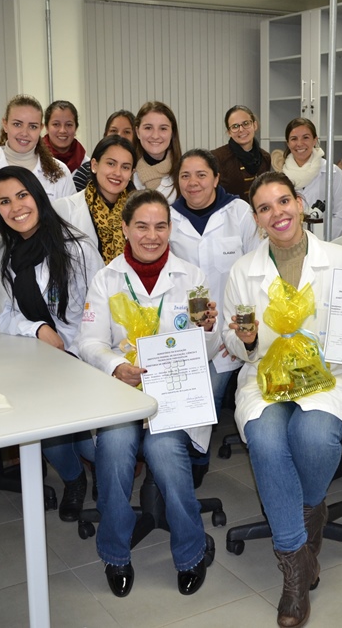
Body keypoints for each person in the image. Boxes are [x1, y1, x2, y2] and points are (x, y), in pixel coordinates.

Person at [221, 171, 342, 627]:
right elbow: (233, 343)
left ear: (300, 204)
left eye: (283, 201)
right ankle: (296, 564)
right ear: (256, 219)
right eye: (265, 208)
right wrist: (245, 340)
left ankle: (303, 516)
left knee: (314, 437)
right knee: (265, 440)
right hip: (267, 381)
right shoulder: (243, 271)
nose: (277, 213)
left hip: (330, 378)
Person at [77, 189, 220, 598]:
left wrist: (208, 331)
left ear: (171, 229)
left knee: (165, 451)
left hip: (172, 399)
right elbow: (89, 342)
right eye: (141, 226)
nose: (151, 236)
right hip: (123, 393)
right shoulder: (107, 278)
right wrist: (115, 366)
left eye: (160, 226)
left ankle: (190, 552)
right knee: (114, 449)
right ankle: (115, 552)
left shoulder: (191, 276)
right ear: (125, 228)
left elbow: (207, 351)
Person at [0, 165, 103, 521]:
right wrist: (37, 328)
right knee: (48, 432)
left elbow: (101, 310)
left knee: (90, 441)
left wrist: (75, 355)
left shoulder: (77, 248)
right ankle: (73, 480)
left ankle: (103, 471)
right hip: (36, 360)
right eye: (4, 201)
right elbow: (0, 315)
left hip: (81, 356)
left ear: (38, 196)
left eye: (22, 195)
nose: (15, 208)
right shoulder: (3, 255)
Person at [169, 148, 259, 418]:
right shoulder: (169, 218)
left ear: (216, 178)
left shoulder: (239, 212)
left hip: (230, 335)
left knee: (205, 401)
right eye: (185, 176)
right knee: (181, 400)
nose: (192, 182)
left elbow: (255, 274)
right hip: (184, 332)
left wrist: (236, 338)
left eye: (201, 175)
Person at [0, 95, 76, 230]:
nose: (24, 133)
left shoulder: (60, 171)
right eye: (17, 124)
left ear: (41, 128)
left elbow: (70, 225)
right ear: (5, 124)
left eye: (32, 126)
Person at [53, 135, 136, 264]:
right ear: (94, 165)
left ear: (131, 173)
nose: (117, 173)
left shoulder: (138, 211)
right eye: (111, 164)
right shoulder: (64, 210)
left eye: (125, 167)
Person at [281, 118, 342, 238]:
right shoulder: (281, 177)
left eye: (305, 137)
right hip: (290, 242)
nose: (299, 143)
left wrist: (318, 242)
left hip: (324, 242)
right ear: (288, 143)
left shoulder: (332, 173)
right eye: (294, 139)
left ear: (315, 140)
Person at [210, 105, 271, 201]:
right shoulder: (216, 158)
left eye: (246, 123)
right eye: (235, 126)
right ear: (229, 132)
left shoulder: (265, 157)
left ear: (255, 125)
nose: (241, 130)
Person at [73, 110, 136, 192]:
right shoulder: (85, 171)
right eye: (113, 131)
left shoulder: (140, 173)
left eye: (127, 132)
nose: (119, 135)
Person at [132, 101, 182, 202]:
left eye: (163, 128)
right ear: (137, 132)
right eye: (148, 128)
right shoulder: (126, 173)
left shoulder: (184, 173)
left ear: (172, 133)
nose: (155, 136)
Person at [43, 100, 88, 174]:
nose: (62, 130)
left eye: (69, 125)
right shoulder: (33, 159)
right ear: (47, 127)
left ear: (76, 128)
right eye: (56, 124)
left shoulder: (87, 165)